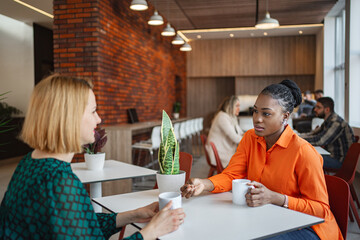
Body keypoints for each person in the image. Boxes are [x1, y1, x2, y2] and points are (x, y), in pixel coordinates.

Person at [0, 74, 185, 240]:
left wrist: (134, 214)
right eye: (93, 111)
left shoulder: (29, 162)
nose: (99, 119)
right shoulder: (59, 182)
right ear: (69, 117)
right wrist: (151, 232)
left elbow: (77, 222)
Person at [181, 80, 342, 240]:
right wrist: (204, 184)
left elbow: (320, 209)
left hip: (310, 227)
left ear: (285, 116)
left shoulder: (303, 151)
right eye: (255, 111)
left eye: (266, 113)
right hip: (270, 218)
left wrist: (275, 198)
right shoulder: (250, 138)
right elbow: (232, 175)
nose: (257, 119)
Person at [300, 97, 355, 169]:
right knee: (304, 155)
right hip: (330, 155)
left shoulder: (336, 122)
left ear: (327, 110)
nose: (315, 109)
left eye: (318, 107)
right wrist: (296, 137)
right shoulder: (328, 121)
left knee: (303, 158)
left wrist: (298, 140)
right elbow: (313, 134)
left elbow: (320, 140)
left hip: (338, 160)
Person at [205, 95, 243, 168]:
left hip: (223, 150)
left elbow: (240, 133)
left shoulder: (231, 117)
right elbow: (236, 138)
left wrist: (246, 135)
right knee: (245, 158)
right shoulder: (222, 117)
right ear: (230, 106)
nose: (239, 109)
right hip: (219, 153)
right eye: (237, 106)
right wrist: (248, 137)